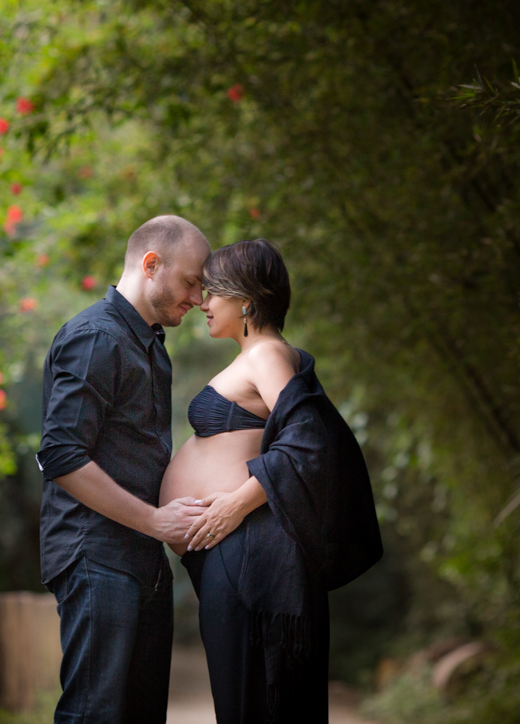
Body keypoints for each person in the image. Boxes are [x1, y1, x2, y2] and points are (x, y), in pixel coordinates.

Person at [159, 239, 384, 724]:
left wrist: (235, 504)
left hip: (249, 548)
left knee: (251, 704)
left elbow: (309, 443)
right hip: (238, 552)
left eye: (213, 291)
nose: (202, 303)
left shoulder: (266, 356)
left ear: (245, 300)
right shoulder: (258, 356)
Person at [36, 215, 213, 724]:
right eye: (191, 282)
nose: (198, 298)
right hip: (95, 555)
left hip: (143, 561)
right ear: (151, 265)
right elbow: (61, 455)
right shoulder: (96, 337)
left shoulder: (151, 346)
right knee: (94, 715)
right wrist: (155, 521)